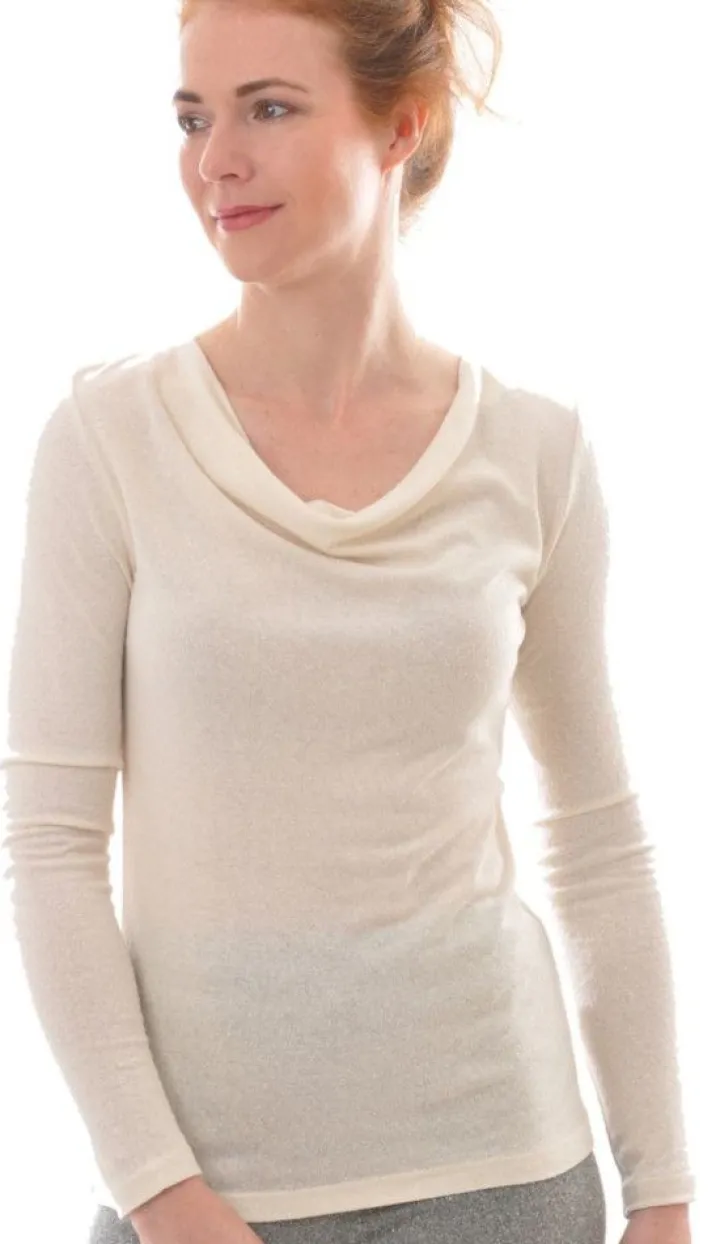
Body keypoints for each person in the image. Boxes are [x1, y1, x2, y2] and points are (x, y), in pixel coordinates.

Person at [0, 2, 695, 1243]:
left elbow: (597, 842)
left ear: (400, 128)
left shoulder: (535, 451)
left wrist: (664, 1195)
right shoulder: (109, 441)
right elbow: (49, 844)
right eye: (192, 118)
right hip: (202, 1201)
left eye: (268, 109)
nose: (216, 160)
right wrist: (161, 1192)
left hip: (506, 1180)